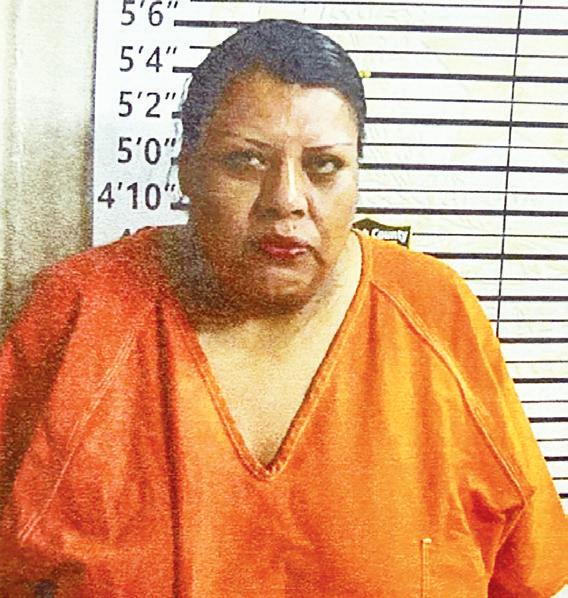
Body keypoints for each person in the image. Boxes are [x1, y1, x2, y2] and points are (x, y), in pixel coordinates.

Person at [0, 18, 566, 597]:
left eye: (323, 166)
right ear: (188, 168)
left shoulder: (435, 313)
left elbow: (527, 573)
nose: (286, 201)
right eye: (245, 161)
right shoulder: (80, 313)